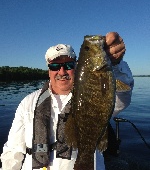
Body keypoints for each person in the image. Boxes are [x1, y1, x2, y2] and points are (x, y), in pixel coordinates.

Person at [0, 32, 134, 170]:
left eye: (68, 65)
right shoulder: (28, 102)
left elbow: (122, 98)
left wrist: (116, 64)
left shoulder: (96, 92)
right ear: (48, 71)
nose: (62, 71)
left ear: (76, 66)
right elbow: (13, 151)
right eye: (55, 66)